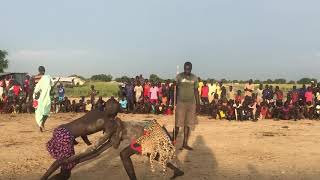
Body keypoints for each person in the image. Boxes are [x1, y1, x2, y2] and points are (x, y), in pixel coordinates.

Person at [174, 62, 199, 151]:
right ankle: (173, 143)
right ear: (184, 68)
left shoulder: (194, 78)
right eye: (185, 68)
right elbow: (175, 88)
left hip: (191, 104)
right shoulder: (179, 77)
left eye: (188, 69)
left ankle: (185, 143)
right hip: (181, 103)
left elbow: (196, 91)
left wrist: (198, 103)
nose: (187, 70)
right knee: (177, 124)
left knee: (187, 124)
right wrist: (174, 101)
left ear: (191, 69)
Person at [33, 66, 53, 132]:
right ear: (44, 70)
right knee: (46, 111)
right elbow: (50, 87)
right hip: (45, 96)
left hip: (37, 97)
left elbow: (35, 88)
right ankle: (42, 124)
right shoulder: (47, 77)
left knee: (38, 112)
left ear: (38, 70)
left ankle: (40, 125)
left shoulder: (35, 77)